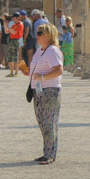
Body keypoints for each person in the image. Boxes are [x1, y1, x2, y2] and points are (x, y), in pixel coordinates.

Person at [28, 23, 64, 164]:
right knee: (42, 122)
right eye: (37, 33)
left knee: (49, 122)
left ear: (49, 35)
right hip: (38, 91)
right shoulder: (40, 51)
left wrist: (41, 77)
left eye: (40, 33)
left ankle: (50, 154)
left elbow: (58, 70)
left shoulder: (52, 51)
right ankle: (46, 151)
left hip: (50, 91)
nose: (37, 36)